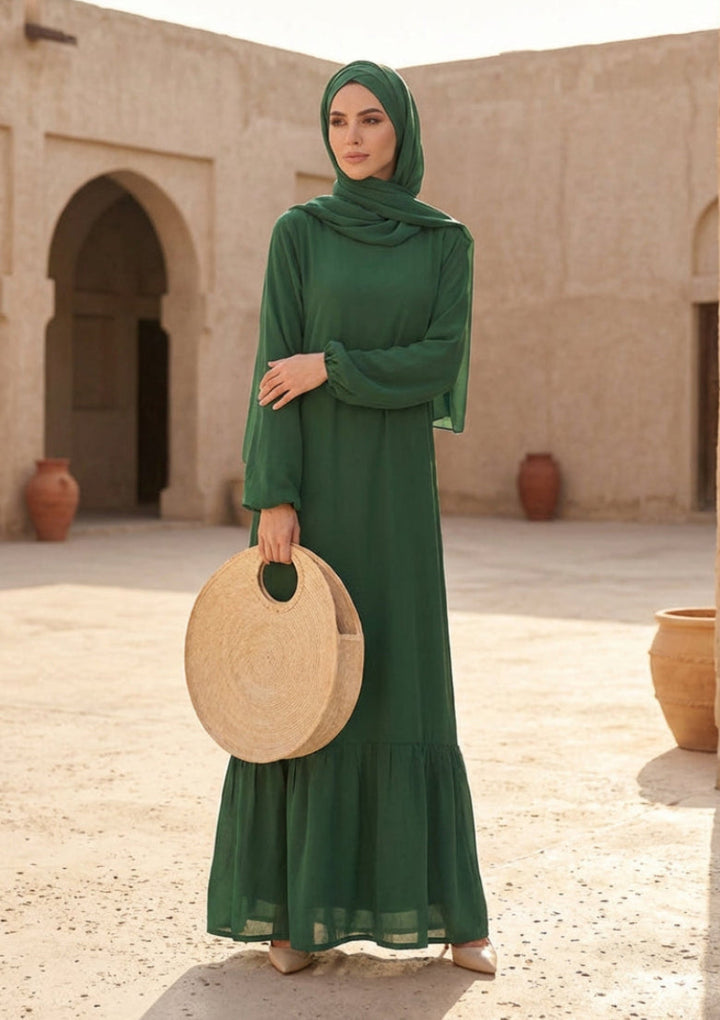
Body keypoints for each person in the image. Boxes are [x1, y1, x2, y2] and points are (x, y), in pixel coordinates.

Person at [207, 60, 496, 977]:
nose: (354, 137)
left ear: (401, 130)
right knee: (305, 678)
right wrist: (275, 497)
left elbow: (438, 360)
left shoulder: (445, 242)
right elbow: (269, 373)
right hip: (320, 490)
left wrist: (333, 364)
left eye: (372, 120)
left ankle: (455, 917)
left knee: (403, 675)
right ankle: (292, 916)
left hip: (397, 495)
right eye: (338, 122)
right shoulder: (300, 234)